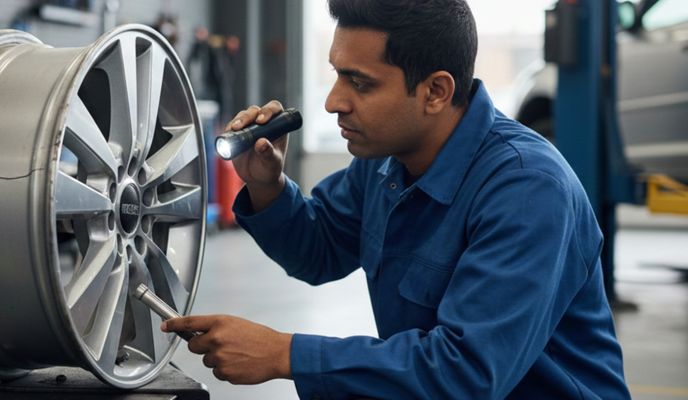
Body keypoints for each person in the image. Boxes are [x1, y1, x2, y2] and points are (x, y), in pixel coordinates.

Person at [163, 0, 631, 398]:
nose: (333, 101)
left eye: (360, 83)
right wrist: (267, 186)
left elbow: (466, 373)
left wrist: (285, 353)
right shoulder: (386, 160)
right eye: (336, 75)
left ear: (435, 91)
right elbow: (318, 251)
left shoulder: (528, 190)